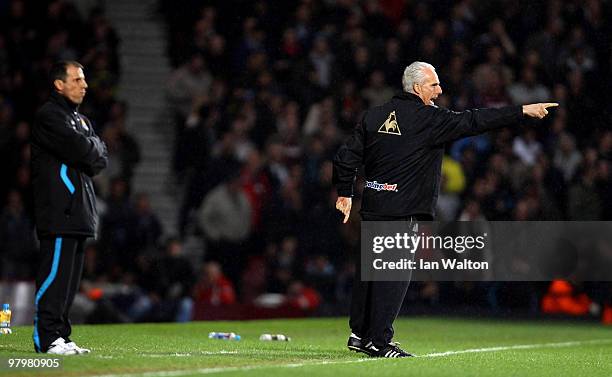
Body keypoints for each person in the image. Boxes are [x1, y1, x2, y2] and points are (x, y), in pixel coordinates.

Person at [333, 61, 557, 358]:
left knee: (369, 273)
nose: (439, 90)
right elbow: (475, 120)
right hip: (404, 209)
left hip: (375, 205)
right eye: (433, 85)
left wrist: (345, 193)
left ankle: (360, 334)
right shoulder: (429, 119)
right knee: (393, 275)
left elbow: (345, 158)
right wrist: (520, 111)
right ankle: (379, 340)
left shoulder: (374, 115)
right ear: (416, 88)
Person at [30, 61, 108, 355]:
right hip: (59, 210)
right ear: (59, 84)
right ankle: (47, 338)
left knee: (69, 282)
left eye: (83, 80)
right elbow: (82, 150)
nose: (84, 85)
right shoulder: (49, 116)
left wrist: (91, 148)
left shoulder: (82, 121)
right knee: (54, 277)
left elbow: (101, 157)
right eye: (76, 79)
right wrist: (91, 148)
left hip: (78, 212)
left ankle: (61, 335)